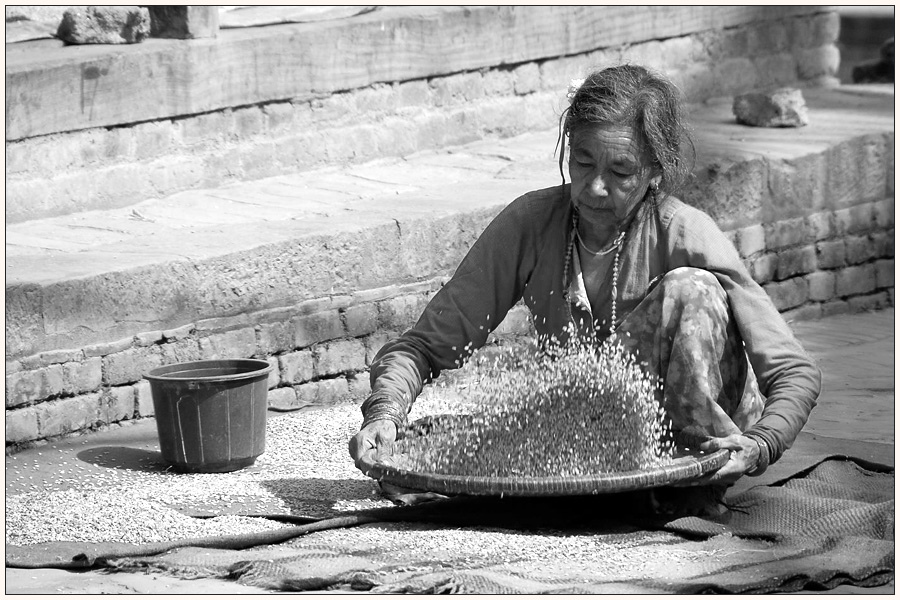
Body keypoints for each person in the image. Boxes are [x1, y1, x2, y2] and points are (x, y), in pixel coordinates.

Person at [348, 64, 821, 500]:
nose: (595, 187)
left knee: (690, 289)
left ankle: (681, 480)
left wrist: (760, 445)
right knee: (430, 460)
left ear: (656, 171)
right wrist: (385, 413)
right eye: (583, 163)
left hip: (694, 451)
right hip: (591, 438)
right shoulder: (531, 223)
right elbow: (424, 346)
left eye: (620, 172)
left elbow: (795, 372)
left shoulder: (685, 230)